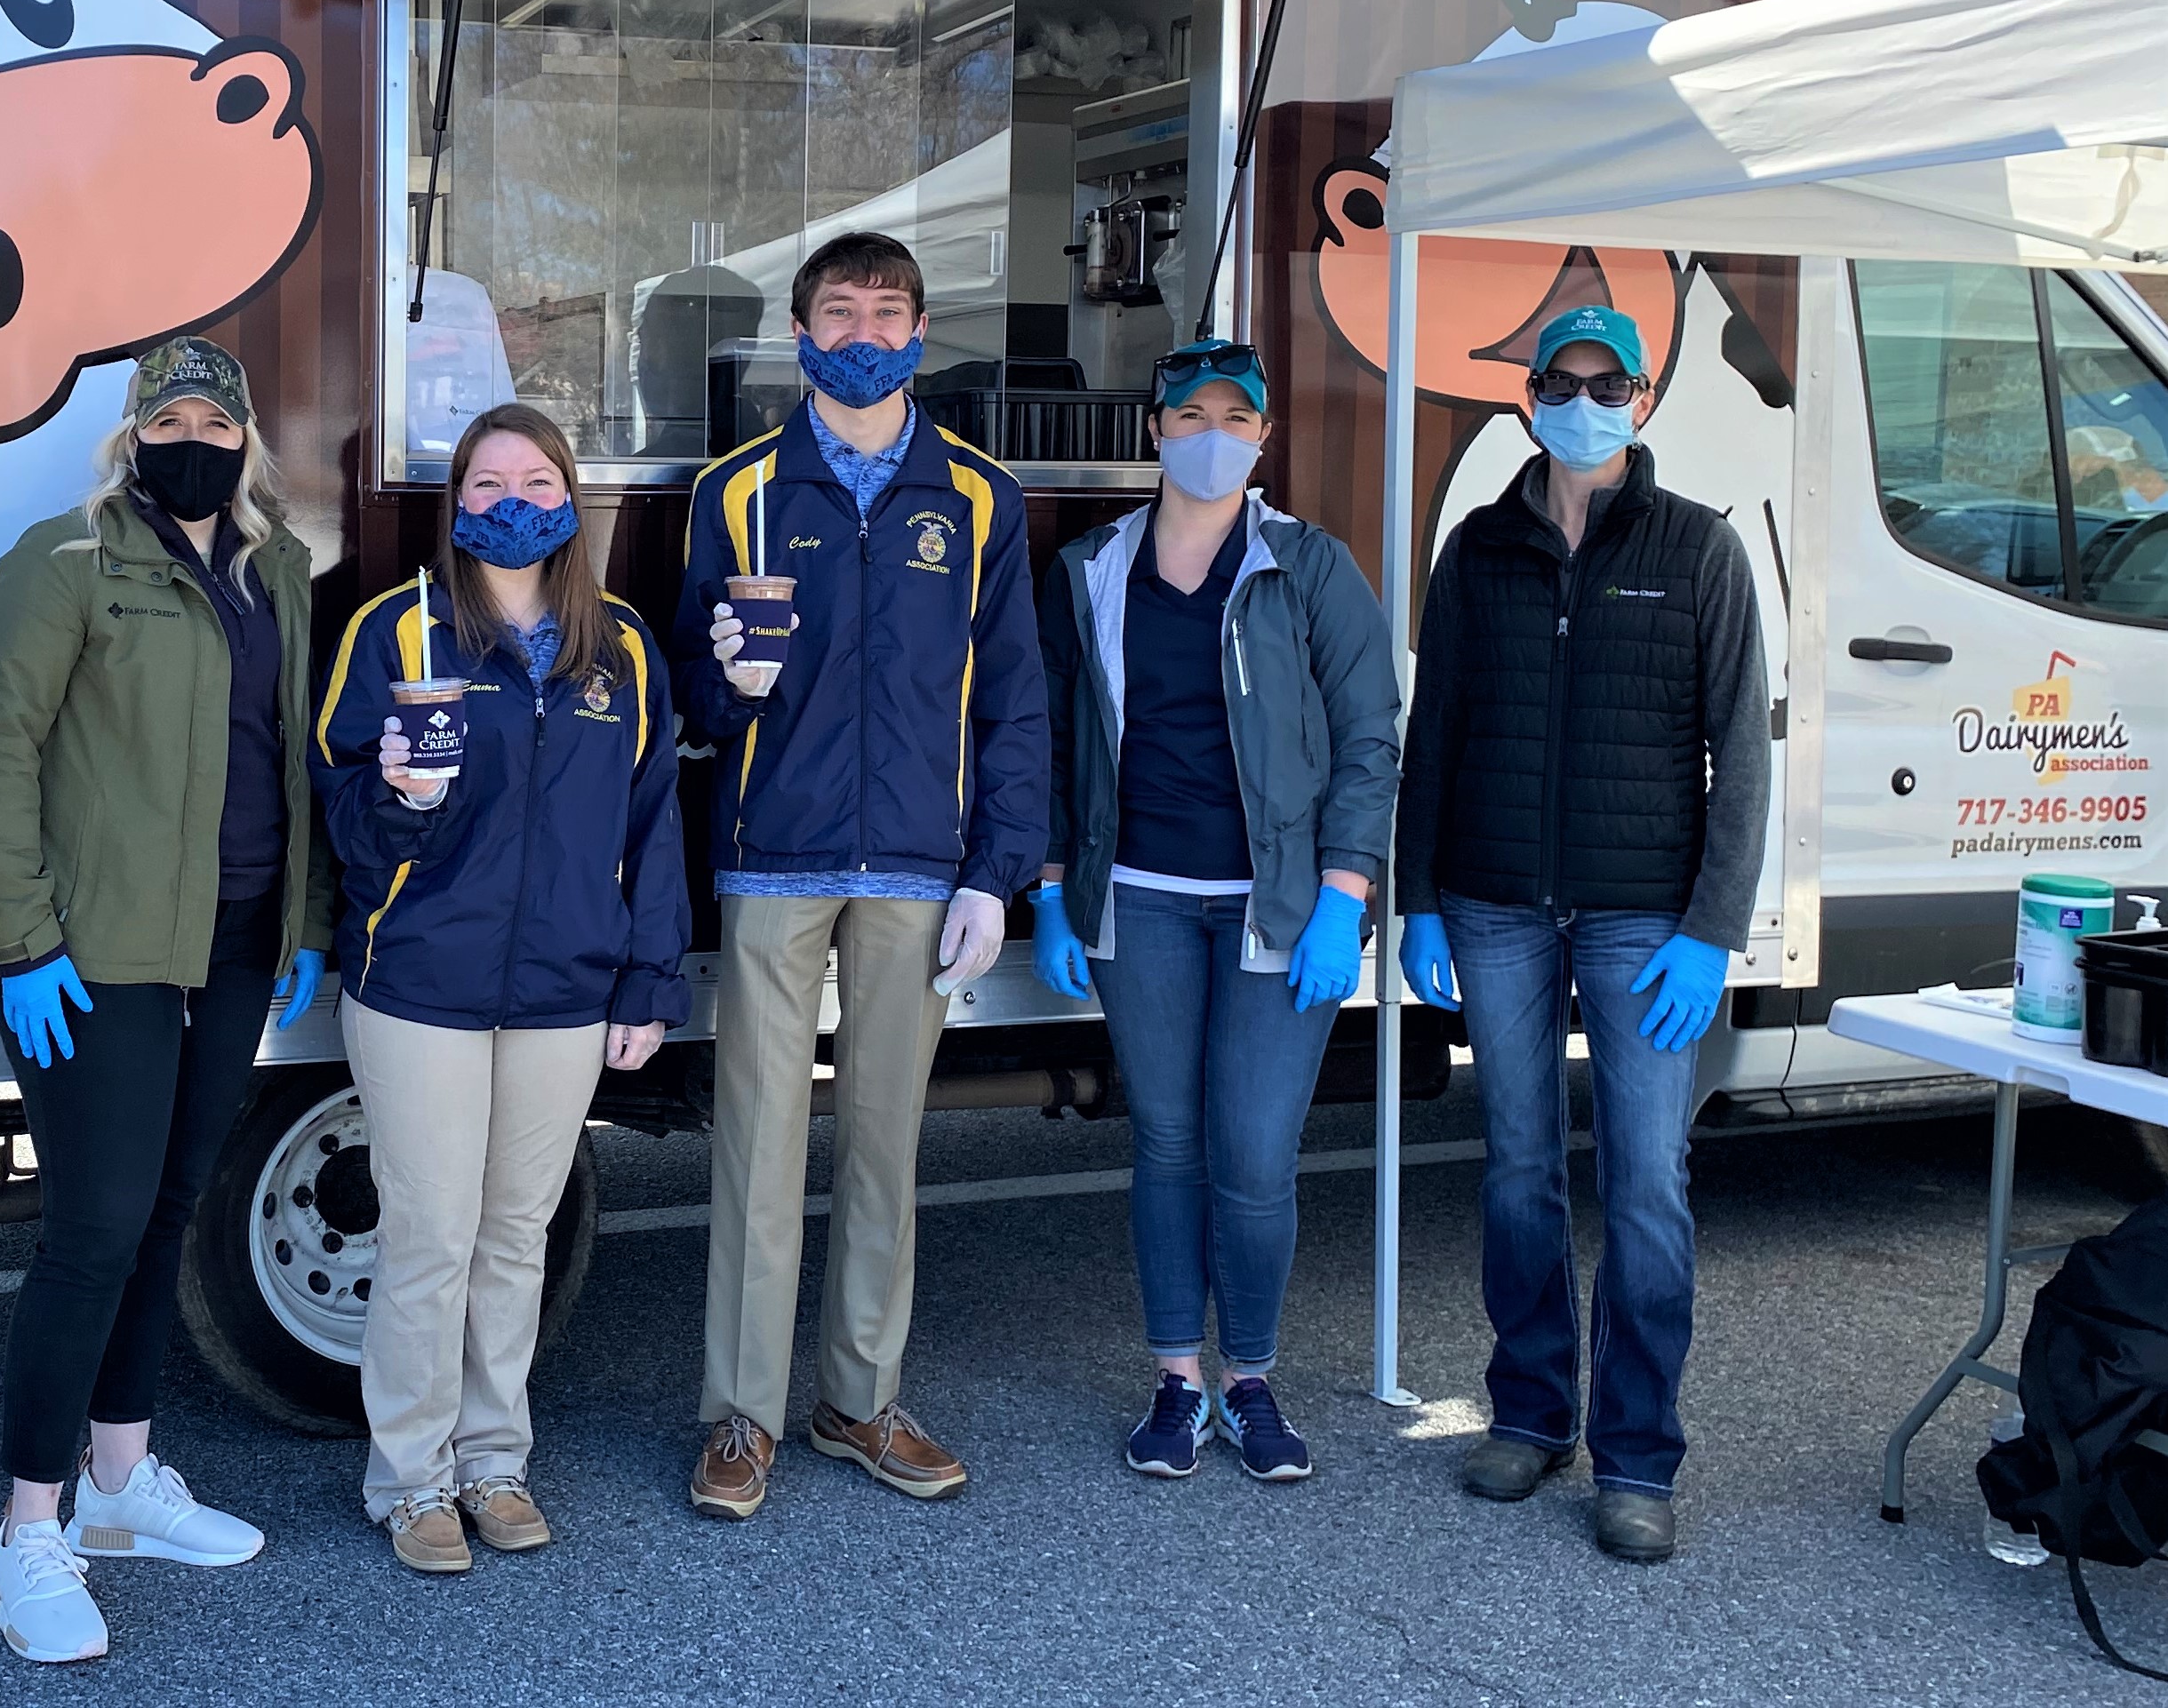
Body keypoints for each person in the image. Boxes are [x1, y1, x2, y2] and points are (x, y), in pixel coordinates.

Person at [0, 337, 335, 1664]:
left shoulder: (277, 568)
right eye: (165, 416)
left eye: (212, 418)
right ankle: (26, 1537)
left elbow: (290, 761)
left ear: (243, 438)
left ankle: (119, 1489)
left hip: (230, 947)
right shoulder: (68, 562)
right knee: (93, 1228)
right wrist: (24, 941)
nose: (192, 437)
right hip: (94, 952)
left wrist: (299, 918)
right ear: (131, 435)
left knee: (169, 1207)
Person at [671, 231, 1046, 1520]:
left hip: (919, 869)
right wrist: (730, 678)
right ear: (800, 328)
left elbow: (1016, 703)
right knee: (760, 1151)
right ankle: (742, 1412)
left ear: (922, 328)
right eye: (841, 310)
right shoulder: (737, 490)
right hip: (773, 857)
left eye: (889, 311)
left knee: (884, 1143)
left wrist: (997, 874)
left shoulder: (981, 496)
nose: (866, 331)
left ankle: (859, 1397)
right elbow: (691, 699)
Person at [1394, 304, 1770, 1567]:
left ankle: (1639, 1457)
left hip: (1642, 917)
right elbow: (1432, 729)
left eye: (1612, 383)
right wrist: (1421, 892)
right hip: (1495, 902)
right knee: (1517, 1171)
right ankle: (1533, 1412)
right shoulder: (1479, 548)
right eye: (1565, 380)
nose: (1588, 401)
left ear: (1645, 401)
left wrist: (1714, 928)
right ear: (1528, 400)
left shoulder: (1700, 548)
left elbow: (1742, 754)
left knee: (1649, 1184)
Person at [314, 403, 687, 1573]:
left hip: (567, 992)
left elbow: (651, 821)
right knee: (429, 1233)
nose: (509, 499)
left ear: (571, 499)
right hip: (419, 980)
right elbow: (337, 810)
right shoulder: (399, 631)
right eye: (484, 482)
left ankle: (494, 1462)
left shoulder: (618, 648)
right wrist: (392, 798)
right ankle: (411, 1481)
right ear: (454, 503)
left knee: (517, 1233)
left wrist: (648, 979)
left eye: (534, 478)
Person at [1034, 339, 1399, 1483]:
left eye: (1234, 418)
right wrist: (1052, 891)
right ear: (1153, 429)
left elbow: (1370, 739)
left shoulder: (1311, 567)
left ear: (1263, 438)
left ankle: (1252, 1378)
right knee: (1169, 1145)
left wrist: (1345, 894)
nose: (1212, 434)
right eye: (1189, 413)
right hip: (1139, 900)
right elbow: (1051, 741)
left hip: (1275, 904)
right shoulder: (1092, 569)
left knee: (1253, 1154)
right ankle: (1177, 1384)